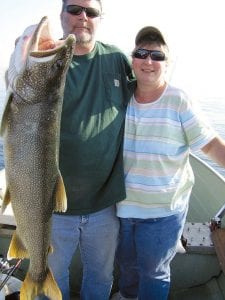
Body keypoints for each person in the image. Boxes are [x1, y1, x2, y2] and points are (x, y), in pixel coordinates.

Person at [112, 26, 225, 300]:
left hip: (162, 213)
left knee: (154, 272)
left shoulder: (179, 100)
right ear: (132, 59)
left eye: (157, 55)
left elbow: (209, 144)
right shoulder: (120, 96)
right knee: (126, 267)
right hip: (123, 208)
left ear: (167, 63)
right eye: (142, 53)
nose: (148, 61)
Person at [40, 0, 133, 299]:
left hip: (105, 206)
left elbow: (149, 94)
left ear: (100, 18)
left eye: (91, 12)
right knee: (53, 277)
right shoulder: (46, 58)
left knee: (101, 276)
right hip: (52, 207)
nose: (83, 17)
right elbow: (16, 84)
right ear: (62, 15)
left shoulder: (116, 58)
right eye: (75, 9)